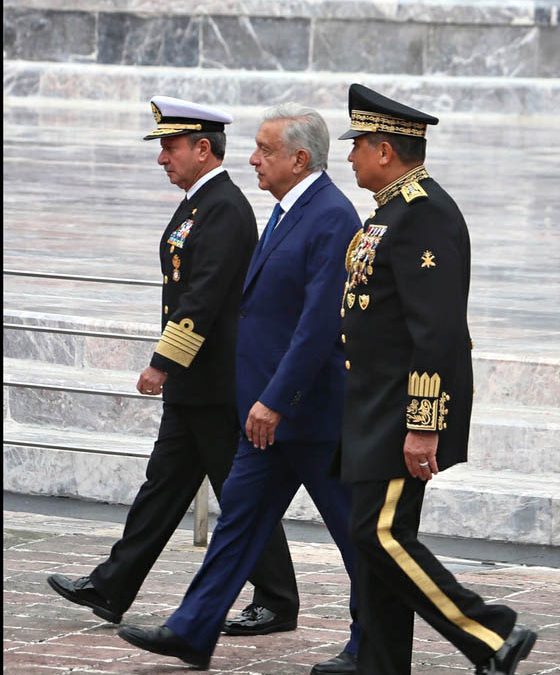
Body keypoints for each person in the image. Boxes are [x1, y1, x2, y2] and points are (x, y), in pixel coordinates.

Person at [116, 103, 363, 675]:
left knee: (358, 536)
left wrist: (275, 398)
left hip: (309, 413)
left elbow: (317, 326)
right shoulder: (284, 210)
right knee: (237, 526)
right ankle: (192, 628)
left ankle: (379, 639)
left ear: (300, 159)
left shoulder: (329, 216)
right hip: (264, 411)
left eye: (265, 150)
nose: (253, 158)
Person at [47, 95, 300, 632]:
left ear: (203, 149)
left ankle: (278, 599)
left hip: (212, 381)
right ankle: (112, 585)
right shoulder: (199, 203)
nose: (163, 158)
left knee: (240, 493)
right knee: (163, 487)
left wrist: (163, 361)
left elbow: (203, 297)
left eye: (170, 147)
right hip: (196, 385)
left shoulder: (225, 208)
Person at [336, 83, 538, 675]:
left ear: (384, 151)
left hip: (400, 407)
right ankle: (380, 661)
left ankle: (491, 633)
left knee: (383, 536)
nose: (349, 158)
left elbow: (438, 332)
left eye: (358, 147)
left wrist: (423, 426)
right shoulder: (396, 210)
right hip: (371, 403)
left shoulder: (424, 215)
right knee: (371, 538)